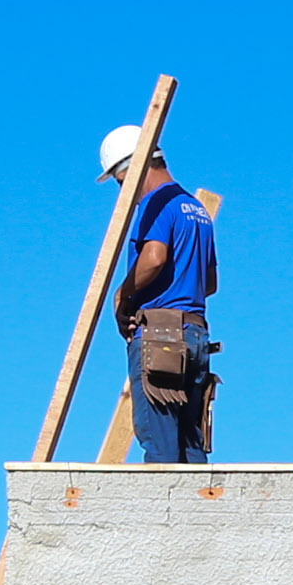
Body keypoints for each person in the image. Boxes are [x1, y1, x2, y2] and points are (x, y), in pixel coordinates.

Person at [99, 123, 218, 464]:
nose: (125, 193)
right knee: (190, 444)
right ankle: (199, 516)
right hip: (195, 335)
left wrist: (124, 296)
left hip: (160, 338)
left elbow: (153, 258)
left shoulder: (155, 204)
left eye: (122, 183)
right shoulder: (196, 210)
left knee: (161, 446)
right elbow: (208, 284)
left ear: (134, 168)